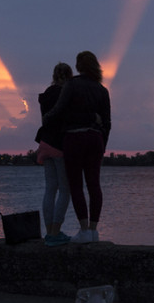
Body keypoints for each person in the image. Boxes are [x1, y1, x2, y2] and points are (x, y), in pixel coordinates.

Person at [43, 51, 111, 244]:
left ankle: (83, 230)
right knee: (94, 185)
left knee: (76, 185)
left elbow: (60, 109)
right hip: (96, 139)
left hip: (74, 139)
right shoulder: (102, 90)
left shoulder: (72, 85)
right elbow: (107, 123)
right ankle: (94, 230)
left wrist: (47, 117)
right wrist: (103, 146)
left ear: (79, 66)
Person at [34, 62, 73, 247]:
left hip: (45, 144)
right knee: (65, 190)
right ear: (69, 76)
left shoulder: (46, 94)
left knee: (50, 189)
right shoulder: (65, 94)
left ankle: (49, 231)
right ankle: (55, 232)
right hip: (59, 145)